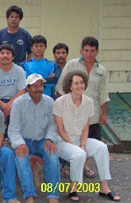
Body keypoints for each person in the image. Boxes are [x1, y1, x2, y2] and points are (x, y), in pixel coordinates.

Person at [53, 71, 120, 202]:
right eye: (76, 83)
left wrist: (83, 144)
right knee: (79, 154)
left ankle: (104, 187)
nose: (80, 86)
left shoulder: (89, 102)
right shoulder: (60, 102)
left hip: (80, 139)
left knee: (101, 147)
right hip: (62, 141)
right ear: (70, 86)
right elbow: (60, 130)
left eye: (82, 82)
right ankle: (73, 188)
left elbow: (85, 127)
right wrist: (76, 146)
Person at [56, 36, 110, 178]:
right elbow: (61, 88)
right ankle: (70, 166)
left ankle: (84, 166)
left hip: (93, 112)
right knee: (72, 140)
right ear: (81, 50)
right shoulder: (72, 65)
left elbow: (104, 93)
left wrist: (103, 113)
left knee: (90, 140)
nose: (89, 54)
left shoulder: (102, 71)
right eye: (86, 50)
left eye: (92, 51)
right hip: (72, 112)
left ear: (97, 52)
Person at [8, 74, 60, 203]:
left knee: (53, 155)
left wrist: (49, 139)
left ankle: (53, 194)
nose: (38, 89)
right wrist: (19, 144)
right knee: (21, 158)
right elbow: (13, 128)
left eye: (41, 85)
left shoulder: (49, 101)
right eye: (34, 86)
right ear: (27, 88)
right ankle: (29, 195)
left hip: (43, 140)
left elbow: (52, 125)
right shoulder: (18, 103)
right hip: (24, 140)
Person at [0, 44, 26, 137]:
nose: (5, 56)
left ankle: (12, 138)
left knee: (16, 111)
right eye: (2, 53)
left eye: (8, 53)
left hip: (14, 101)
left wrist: (9, 104)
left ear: (13, 56)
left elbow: (22, 91)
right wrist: (3, 105)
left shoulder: (20, 71)